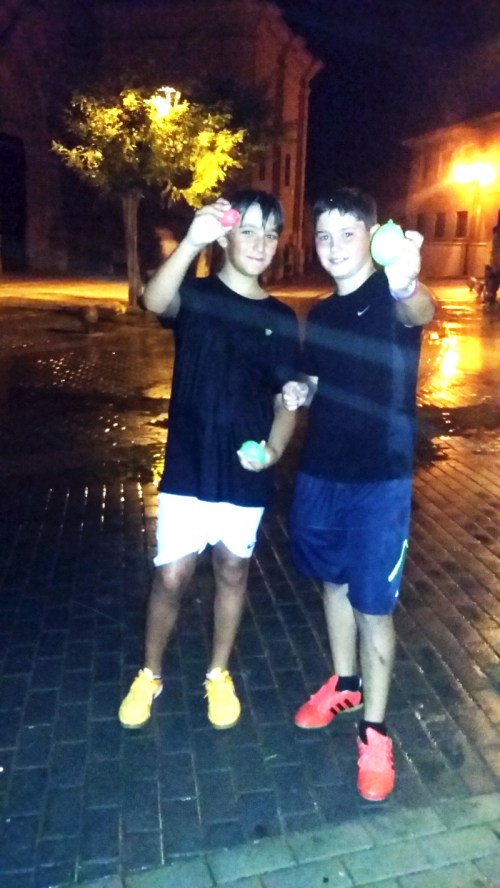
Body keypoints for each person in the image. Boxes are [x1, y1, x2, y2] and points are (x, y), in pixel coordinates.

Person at [119, 190, 300, 731]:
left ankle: (218, 673)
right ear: (225, 237)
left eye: (271, 233)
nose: (261, 243)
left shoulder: (281, 317)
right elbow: (154, 300)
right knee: (172, 576)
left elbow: (286, 397)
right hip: (188, 465)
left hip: (245, 472)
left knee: (232, 569)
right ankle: (150, 673)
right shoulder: (196, 296)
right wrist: (191, 242)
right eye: (248, 230)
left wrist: (274, 449)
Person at [282, 188, 435, 802]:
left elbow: (420, 309)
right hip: (321, 474)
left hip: (380, 480)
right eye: (324, 235)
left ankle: (375, 731)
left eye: (348, 233)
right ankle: (345, 684)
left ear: (372, 236)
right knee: (333, 583)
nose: (334, 245)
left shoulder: (390, 292)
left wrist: (405, 280)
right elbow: (317, 376)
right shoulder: (320, 315)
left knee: (374, 605)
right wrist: (301, 390)